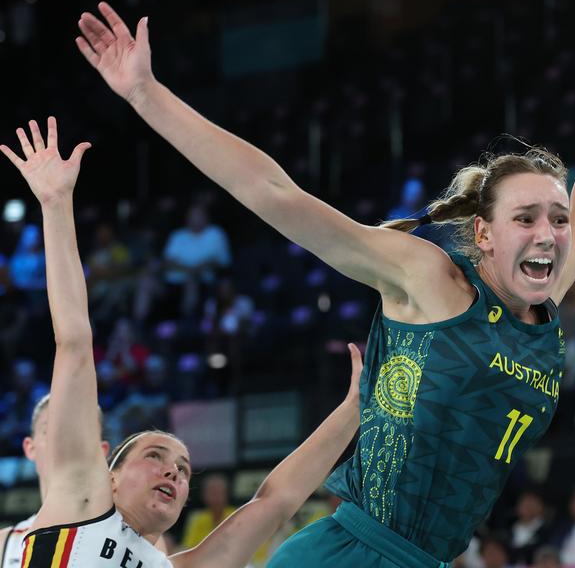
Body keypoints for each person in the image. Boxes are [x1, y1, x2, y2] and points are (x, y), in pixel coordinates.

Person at [78, 5, 575, 567]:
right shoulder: (431, 280)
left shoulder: (541, 305)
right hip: (350, 553)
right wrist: (145, 95)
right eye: (525, 218)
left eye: (557, 217)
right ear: (484, 233)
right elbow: (274, 193)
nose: (548, 233)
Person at [0, 116, 363, 568]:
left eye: (184, 468)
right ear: (108, 478)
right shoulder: (79, 502)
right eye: (156, 456)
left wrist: (355, 409)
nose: (173, 470)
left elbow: (275, 500)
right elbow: (74, 342)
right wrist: (55, 205)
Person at [0, 395, 110, 568]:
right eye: (50, 430)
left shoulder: (138, 541)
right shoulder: (5, 546)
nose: (63, 442)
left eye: (79, 431)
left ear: (101, 452)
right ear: (30, 448)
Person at [181, 474, 236, 549]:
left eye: (219, 492)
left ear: (226, 494)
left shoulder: (237, 514)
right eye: (212, 493)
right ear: (204, 495)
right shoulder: (197, 518)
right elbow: (188, 548)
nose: (216, 497)